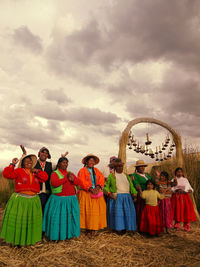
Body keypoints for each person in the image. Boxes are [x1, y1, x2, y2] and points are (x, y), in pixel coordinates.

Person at [1, 154, 48, 246]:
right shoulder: (19, 171)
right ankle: (17, 241)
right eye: (26, 161)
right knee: (20, 222)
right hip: (21, 201)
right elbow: (7, 174)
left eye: (30, 161)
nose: (29, 162)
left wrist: (38, 171)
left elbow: (45, 178)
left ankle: (28, 240)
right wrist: (12, 164)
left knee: (29, 221)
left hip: (33, 201)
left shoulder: (35, 172)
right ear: (22, 163)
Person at [43, 157, 80, 240]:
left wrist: (73, 179)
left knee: (70, 218)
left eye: (66, 163)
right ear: (59, 164)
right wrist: (65, 178)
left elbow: (78, 182)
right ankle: (56, 236)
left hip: (71, 200)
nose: (65, 164)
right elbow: (54, 183)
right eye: (63, 162)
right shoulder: (55, 173)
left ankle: (69, 235)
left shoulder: (70, 173)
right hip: (59, 200)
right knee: (58, 219)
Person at [104, 160, 137, 233]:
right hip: (117, 197)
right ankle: (118, 229)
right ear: (115, 167)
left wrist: (134, 194)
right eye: (117, 166)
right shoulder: (111, 176)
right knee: (119, 214)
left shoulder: (126, 176)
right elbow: (106, 186)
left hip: (127, 197)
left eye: (121, 166)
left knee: (126, 213)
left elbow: (131, 186)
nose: (119, 168)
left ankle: (126, 228)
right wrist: (109, 193)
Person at [77, 154, 107, 236]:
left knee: (95, 212)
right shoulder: (82, 171)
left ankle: (93, 228)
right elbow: (81, 181)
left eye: (93, 161)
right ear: (86, 162)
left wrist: (97, 188)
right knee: (87, 212)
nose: (92, 162)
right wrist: (90, 189)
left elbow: (101, 179)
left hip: (96, 193)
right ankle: (88, 228)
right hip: (86, 193)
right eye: (90, 160)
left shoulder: (96, 170)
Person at [171, 167, 196, 231]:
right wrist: (176, 190)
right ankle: (177, 224)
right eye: (178, 172)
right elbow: (171, 188)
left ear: (182, 173)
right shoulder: (173, 179)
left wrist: (190, 190)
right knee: (177, 210)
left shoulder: (185, 179)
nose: (179, 173)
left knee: (186, 210)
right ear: (175, 173)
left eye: (180, 172)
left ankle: (186, 225)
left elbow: (189, 187)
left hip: (185, 197)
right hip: (176, 197)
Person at [131, 160, 152, 226]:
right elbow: (136, 184)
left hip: (150, 195)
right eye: (140, 166)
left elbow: (152, 182)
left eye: (143, 166)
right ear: (137, 168)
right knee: (141, 210)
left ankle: (149, 225)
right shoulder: (134, 175)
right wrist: (140, 192)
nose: (142, 168)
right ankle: (141, 226)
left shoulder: (147, 174)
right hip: (141, 195)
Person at [34, 147, 53, 214]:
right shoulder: (34, 163)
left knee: (45, 211)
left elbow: (54, 173)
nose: (44, 154)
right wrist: (24, 154)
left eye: (46, 153)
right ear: (39, 153)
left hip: (46, 192)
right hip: (36, 192)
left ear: (48, 155)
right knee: (36, 211)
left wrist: (61, 158)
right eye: (43, 152)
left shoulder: (50, 165)